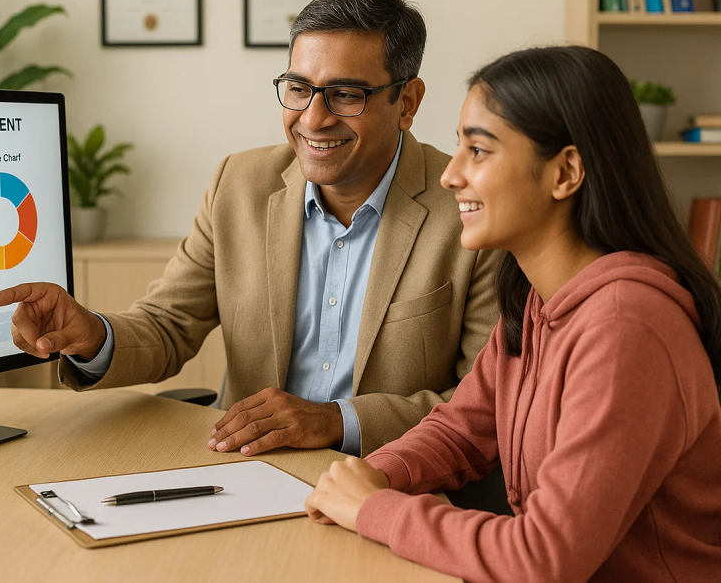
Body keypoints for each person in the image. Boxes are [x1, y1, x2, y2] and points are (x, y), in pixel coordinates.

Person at [0, 0, 501, 458]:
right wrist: (91, 335)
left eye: (346, 95)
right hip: (246, 472)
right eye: (299, 88)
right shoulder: (239, 184)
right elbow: (168, 326)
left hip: (392, 482)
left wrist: (334, 422)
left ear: (406, 103)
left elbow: (483, 404)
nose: (314, 118)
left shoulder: (470, 209)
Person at [305, 45, 721, 582]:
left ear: (565, 172)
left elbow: (543, 558)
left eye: (478, 151)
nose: (451, 176)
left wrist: (372, 509)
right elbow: (461, 431)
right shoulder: (536, 298)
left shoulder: (626, 328)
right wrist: (364, 479)